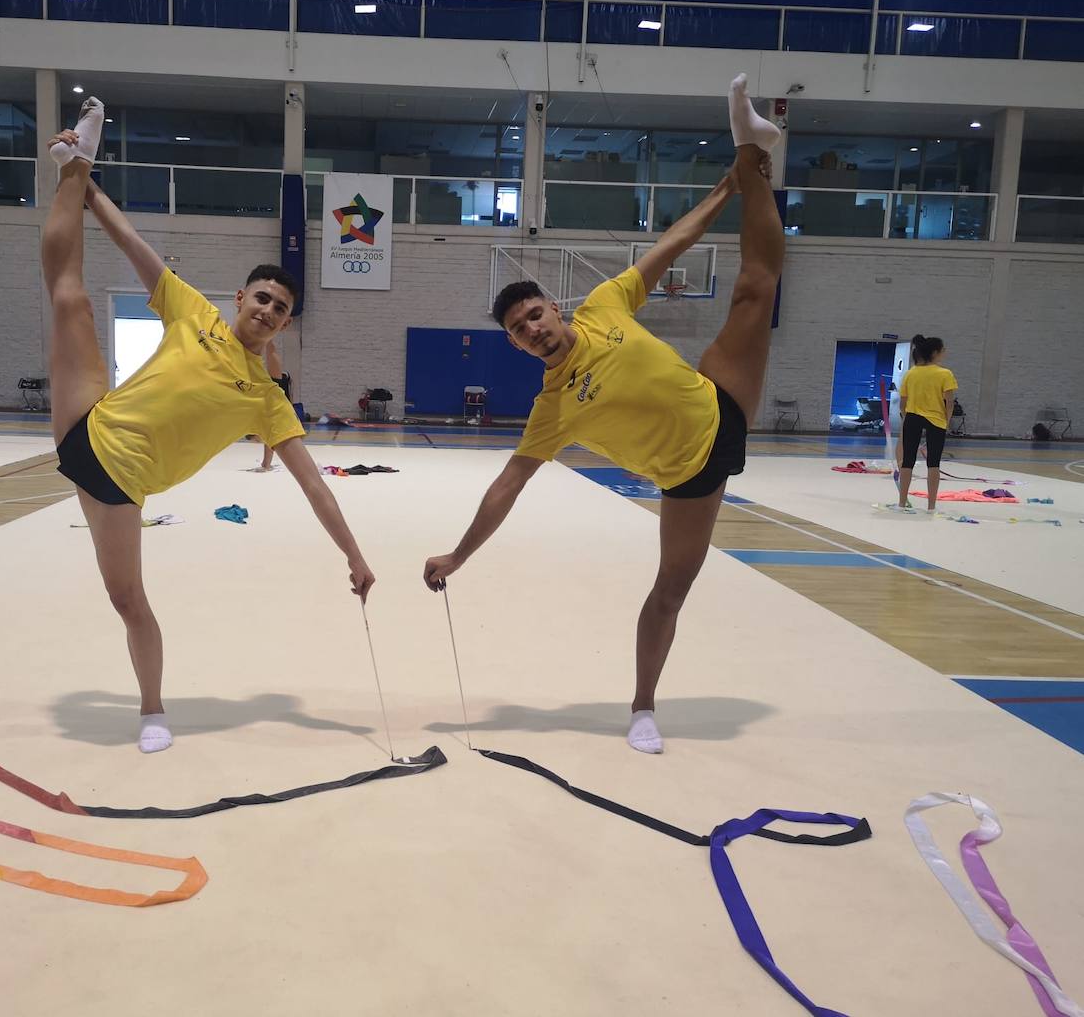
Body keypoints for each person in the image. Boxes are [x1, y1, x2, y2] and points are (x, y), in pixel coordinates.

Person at [422, 75, 785, 756]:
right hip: (691, 476)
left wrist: (725, 190)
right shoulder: (550, 409)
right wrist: (457, 555)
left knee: (756, 289)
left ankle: (749, 147)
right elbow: (505, 489)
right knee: (670, 592)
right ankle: (643, 707)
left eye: (534, 314)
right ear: (517, 346)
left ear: (554, 307)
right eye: (519, 331)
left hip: (720, 397)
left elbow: (671, 244)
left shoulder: (605, 304)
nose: (533, 329)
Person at [42, 98, 376, 753]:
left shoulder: (267, 398)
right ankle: (73, 168)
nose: (270, 311)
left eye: (281, 310)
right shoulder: (190, 309)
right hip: (88, 420)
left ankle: (152, 710)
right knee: (70, 298)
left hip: (120, 483)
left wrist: (355, 554)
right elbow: (132, 243)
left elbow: (315, 486)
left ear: (284, 325)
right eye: (263, 299)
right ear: (240, 299)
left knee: (128, 598)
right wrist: (89, 186)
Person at [896, 335, 957, 512]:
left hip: (912, 417)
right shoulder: (945, 374)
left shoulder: (911, 373)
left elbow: (902, 403)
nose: (945, 352)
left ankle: (901, 503)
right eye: (943, 349)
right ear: (935, 352)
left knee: (907, 462)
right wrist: (946, 421)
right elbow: (949, 403)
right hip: (936, 420)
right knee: (934, 463)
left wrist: (905, 418)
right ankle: (931, 506)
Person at [253, 341, 292, 472]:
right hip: (271, 399)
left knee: (275, 375)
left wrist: (266, 464)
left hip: (271, 399)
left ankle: (268, 340)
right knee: (275, 375)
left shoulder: (264, 426)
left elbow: (269, 440)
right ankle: (268, 340)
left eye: (256, 439)